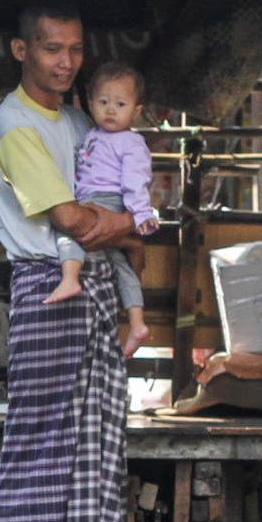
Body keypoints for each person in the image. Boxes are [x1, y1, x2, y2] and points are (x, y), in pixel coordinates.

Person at [0, 1, 186, 522]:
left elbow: (110, 212)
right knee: (38, 439)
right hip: (50, 283)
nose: (66, 61)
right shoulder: (15, 125)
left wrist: (120, 229)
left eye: (74, 49)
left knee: (101, 445)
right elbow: (73, 221)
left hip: (94, 285)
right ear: (22, 52)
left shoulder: (81, 120)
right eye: (51, 49)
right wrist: (134, 225)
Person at [45, 61, 156, 357]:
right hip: (92, 197)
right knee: (121, 266)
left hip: (105, 201)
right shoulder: (93, 135)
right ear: (90, 104)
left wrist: (140, 213)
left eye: (120, 104)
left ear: (136, 111)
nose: (110, 110)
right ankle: (136, 323)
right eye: (103, 102)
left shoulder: (131, 142)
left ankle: (69, 279)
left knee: (68, 231)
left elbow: (136, 180)